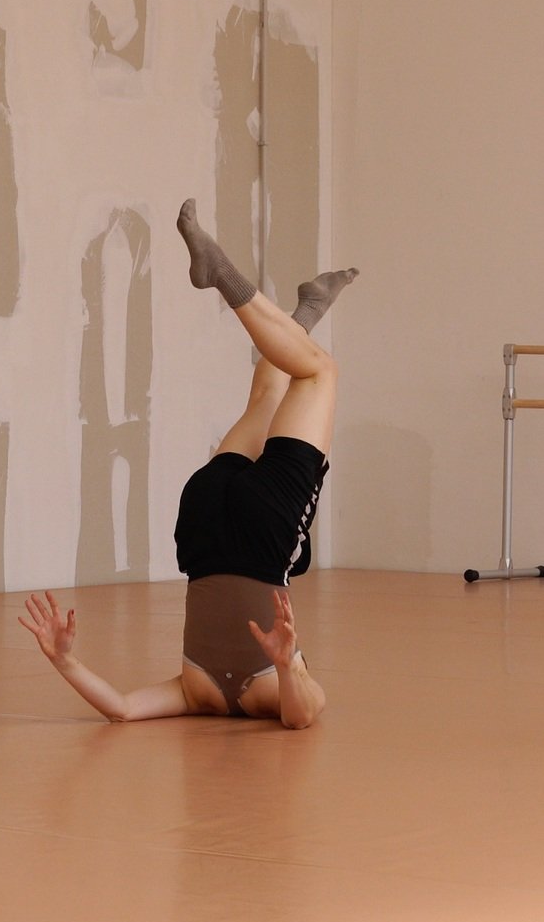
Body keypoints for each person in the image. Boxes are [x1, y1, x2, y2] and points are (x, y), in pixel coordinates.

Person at [20, 199, 356, 730]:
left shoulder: (255, 690)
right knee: (266, 399)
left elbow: (302, 717)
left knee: (317, 375)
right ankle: (308, 310)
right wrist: (64, 661)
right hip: (202, 522)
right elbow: (121, 708)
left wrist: (286, 664)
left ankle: (222, 274)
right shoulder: (194, 692)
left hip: (263, 536)